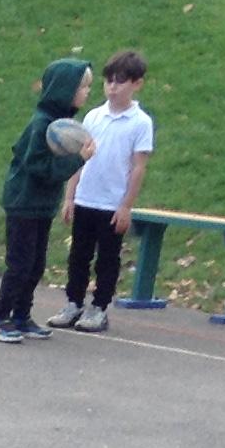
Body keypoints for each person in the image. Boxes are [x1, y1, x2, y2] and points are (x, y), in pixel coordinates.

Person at [46, 49, 152, 334]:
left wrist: (126, 206)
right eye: (109, 81)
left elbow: (138, 167)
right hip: (86, 199)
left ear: (137, 84)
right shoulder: (94, 116)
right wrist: (70, 196)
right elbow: (78, 157)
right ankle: (73, 303)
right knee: (78, 256)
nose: (113, 87)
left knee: (107, 259)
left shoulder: (140, 122)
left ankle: (99, 307)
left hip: (111, 204)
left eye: (120, 81)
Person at [0, 58, 91, 344]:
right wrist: (78, 159)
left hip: (42, 205)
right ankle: (0, 319)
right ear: (64, 89)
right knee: (20, 264)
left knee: (36, 265)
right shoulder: (41, 124)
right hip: (23, 202)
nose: (87, 92)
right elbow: (39, 167)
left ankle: (22, 315)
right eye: (82, 87)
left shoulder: (60, 123)